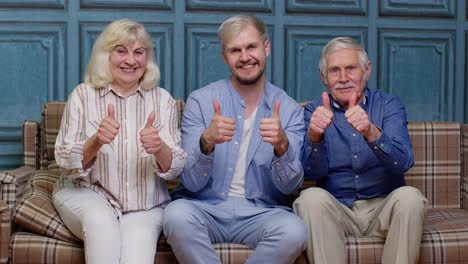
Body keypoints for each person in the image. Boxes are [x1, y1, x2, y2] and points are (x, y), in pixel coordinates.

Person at [163, 14, 306, 264]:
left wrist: (282, 147)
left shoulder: (289, 110)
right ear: (224, 57)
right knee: (176, 216)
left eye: (251, 46)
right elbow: (190, 182)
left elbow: (290, 187)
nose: (245, 57)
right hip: (204, 208)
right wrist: (205, 142)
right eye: (235, 50)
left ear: (266, 48)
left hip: (261, 213)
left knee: (294, 231)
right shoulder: (201, 101)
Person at [52, 19, 186, 264]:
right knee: (100, 222)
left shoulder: (162, 100)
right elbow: (64, 162)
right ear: (106, 55)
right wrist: (95, 141)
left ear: (147, 58)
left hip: (144, 205)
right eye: (121, 51)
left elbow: (176, 168)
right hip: (87, 192)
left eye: (139, 52)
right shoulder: (83, 95)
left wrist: (160, 148)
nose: (131, 60)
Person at [293, 36, 427, 264]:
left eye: (351, 69)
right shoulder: (314, 111)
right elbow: (310, 173)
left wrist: (370, 132)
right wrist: (315, 137)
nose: (343, 78)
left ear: (367, 70)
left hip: (383, 209)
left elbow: (403, 163)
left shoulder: (388, 105)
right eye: (335, 70)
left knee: (411, 197)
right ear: (323, 77)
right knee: (309, 198)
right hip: (337, 211)